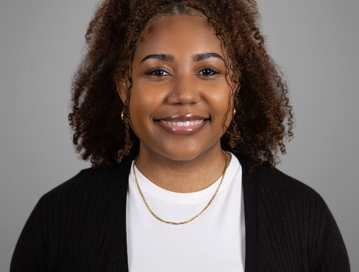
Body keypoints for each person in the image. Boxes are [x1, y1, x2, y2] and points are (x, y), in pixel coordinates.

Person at [10, 0, 350, 271]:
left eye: (207, 71)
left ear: (234, 89)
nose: (184, 94)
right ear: (124, 89)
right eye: (158, 71)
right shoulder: (59, 218)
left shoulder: (304, 217)